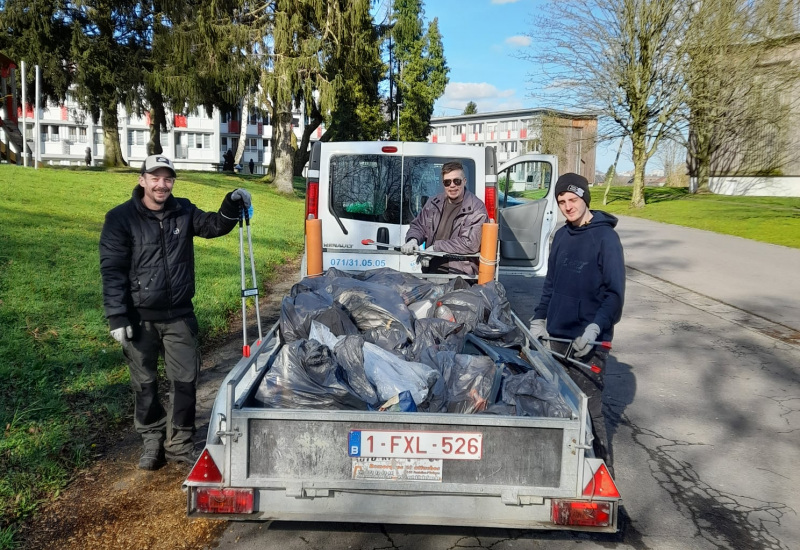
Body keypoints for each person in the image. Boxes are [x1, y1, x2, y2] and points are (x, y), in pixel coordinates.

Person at [99, 155, 252, 471]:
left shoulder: (182, 210)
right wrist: (117, 316)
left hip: (179, 315)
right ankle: (152, 440)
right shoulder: (120, 218)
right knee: (145, 384)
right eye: (155, 178)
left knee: (184, 382)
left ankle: (179, 446)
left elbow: (213, 225)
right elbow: (112, 270)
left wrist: (231, 203)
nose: (162, 184)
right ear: (142, 180)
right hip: (138, 317)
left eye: (168, 179)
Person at [528, 173, 625, 476]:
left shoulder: (606, 238)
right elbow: (550, 286)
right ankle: (562, 472)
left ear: (584, 198)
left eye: (572, 199)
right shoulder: (560, 236)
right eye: (561, 202)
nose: (567, 206)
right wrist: (538, 320)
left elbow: (614, 294)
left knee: (588, 409)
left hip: (589, 342)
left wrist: (595, 328)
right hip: (556, 337)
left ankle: (602, 475)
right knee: (557, 406)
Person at [400, 161, 488, 275]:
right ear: (443, 184)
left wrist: (435, 248)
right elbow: (419, 226)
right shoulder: (433, 203)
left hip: (460, 276)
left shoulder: (476, 208)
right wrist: (413, 240)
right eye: (447, 182)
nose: (452, 185)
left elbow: (470, 243)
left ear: (464, 181)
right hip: (431, 271)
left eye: (457, 181)